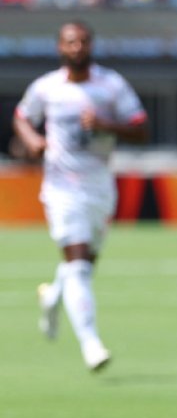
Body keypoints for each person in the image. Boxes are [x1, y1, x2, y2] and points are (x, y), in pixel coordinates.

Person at [13, 20, 148, 371]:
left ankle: (52, 295)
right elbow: (22, 117)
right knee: (78, 266)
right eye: (70, 42)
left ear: (91, 45)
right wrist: (31, 141)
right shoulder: (46, 88)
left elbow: (141, 128)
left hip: (100, 186)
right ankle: (92, 345)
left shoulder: (111, 85)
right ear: (60, 47)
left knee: (84, 264)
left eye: (83, 42)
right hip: (61, 189)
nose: (77, 48)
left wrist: (106, 125)